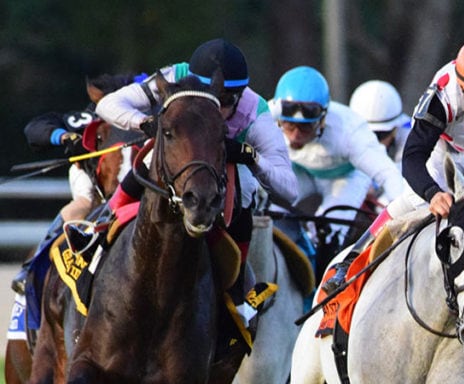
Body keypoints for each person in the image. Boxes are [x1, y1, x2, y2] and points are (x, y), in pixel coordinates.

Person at [96, 38, 298, 325]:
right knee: (151, 156)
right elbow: (108, 104)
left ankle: (237, 287)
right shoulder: (173, 77)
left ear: (240, 94)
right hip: (179, 164)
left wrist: (252, 158)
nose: (215, 107)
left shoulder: (257, 112)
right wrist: (143, 122)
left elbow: (290, 190)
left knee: (244, 184)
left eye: (226, 101)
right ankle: (98, 233)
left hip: (221, 173)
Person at [325, 31, 464, 291]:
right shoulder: (444, 93)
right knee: (412, 200)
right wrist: (433, 193)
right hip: (442, 146)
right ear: (463, 90)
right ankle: (352, 260)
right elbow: (413, 157)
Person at [11, 73, 147, 295]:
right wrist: (64, 137)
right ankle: (31, 269)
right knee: (82, 205)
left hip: (139, 185)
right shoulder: (89, 118)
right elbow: (36, 128)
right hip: (93, 185)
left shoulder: (144, 115)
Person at [269, 66, 404, 271]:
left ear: (323, 119)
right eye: (289, 126)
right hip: (298, 170)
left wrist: (408, 212)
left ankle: (318, 287)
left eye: (306, 127)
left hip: (345, 177)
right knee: (268, 214)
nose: (296, 135)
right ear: (278, 115)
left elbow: (388, 175)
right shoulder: (265, 115)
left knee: (328, 235)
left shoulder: (350, 132)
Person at [349, 79, 412, 164]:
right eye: (366, 133)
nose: (374, 141)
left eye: (380, 135)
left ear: (395, 129)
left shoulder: (411, 136)